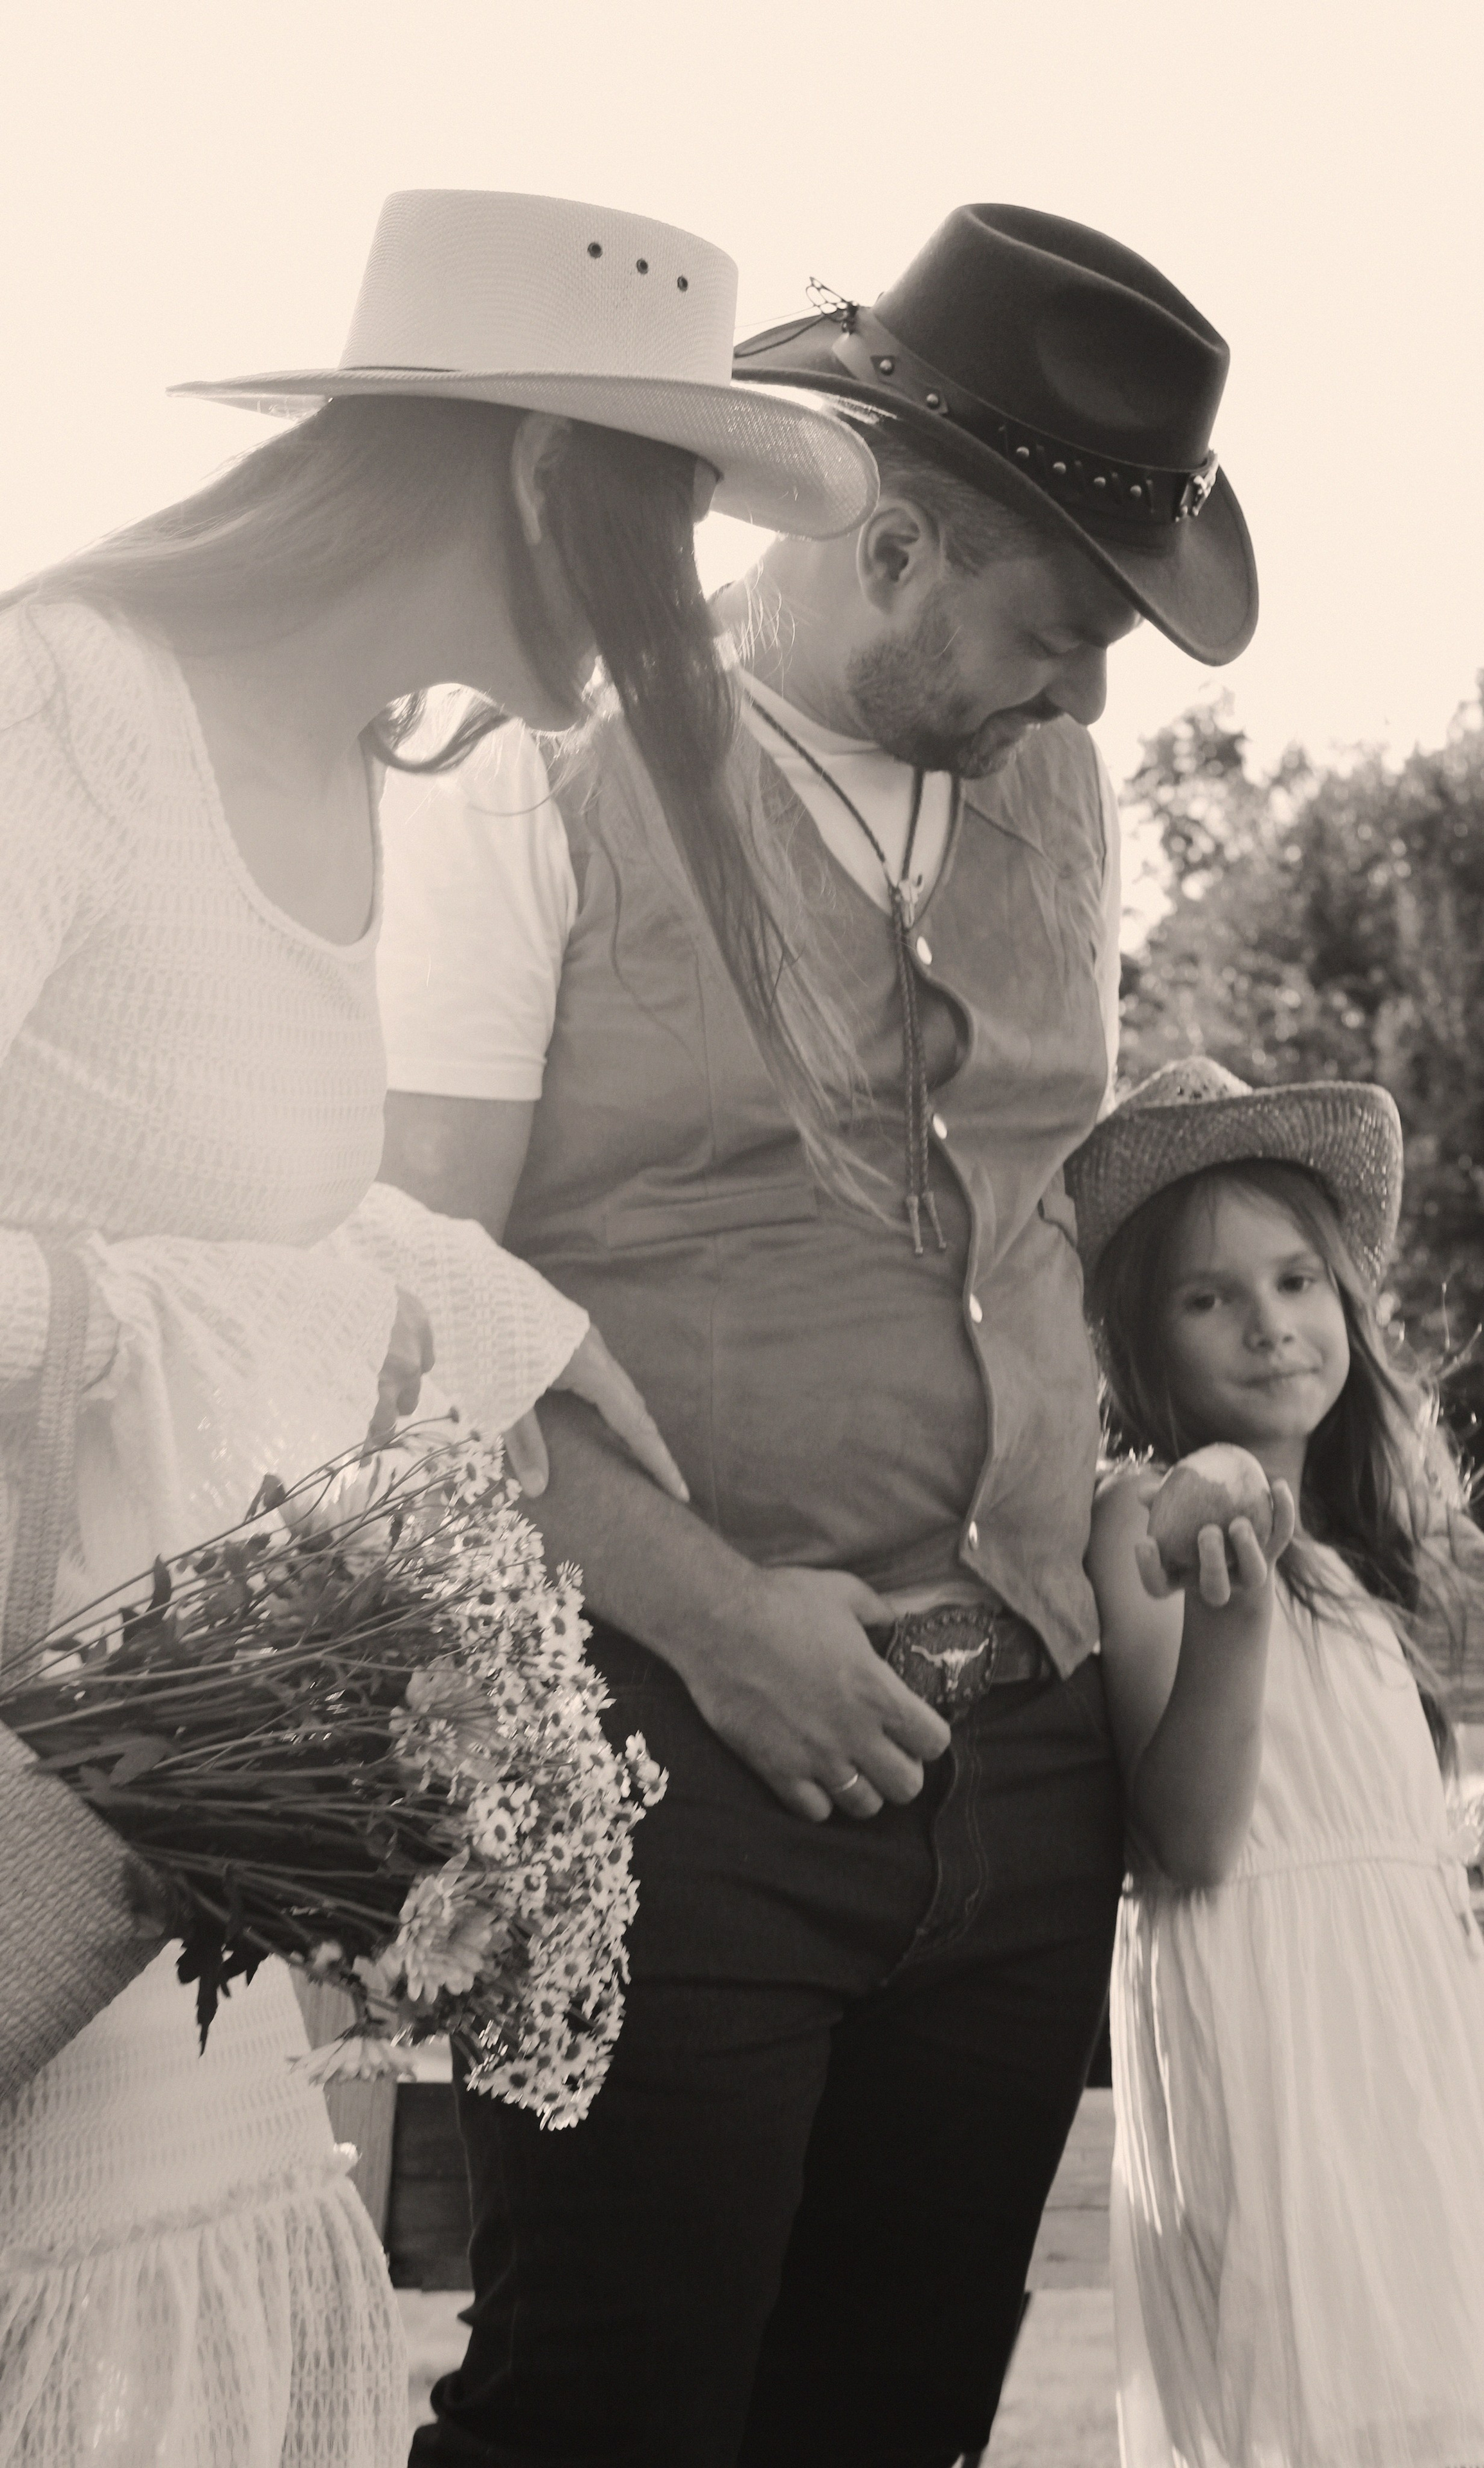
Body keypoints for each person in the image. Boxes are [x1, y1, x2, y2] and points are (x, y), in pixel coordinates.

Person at [0, 188, 875, 2468]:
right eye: (668, 506)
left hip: (148, 1797)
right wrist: (199, 1340)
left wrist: (496, 1315)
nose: (684, 583)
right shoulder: (59, 694)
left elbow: (267, 1202)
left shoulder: (356, 778)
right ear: (529, 463)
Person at [377, 206, 1256, 2464]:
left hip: (1025, 1758)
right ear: (886, 551)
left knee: (894, 2419)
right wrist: (720, 1616)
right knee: (608, 2412)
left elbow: (1041, 1205)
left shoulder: (1057, 791)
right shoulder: (526, 762)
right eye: (1059, 630)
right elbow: (394, 1314)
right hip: (659, 1746)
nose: (1086, 698)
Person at [1073, 1057, 1484, 2468]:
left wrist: (1468, 1819)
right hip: (1276, 2036)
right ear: (1140, 1344)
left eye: (1294, 1281)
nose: (1267, 1325)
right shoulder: (1146, 1520)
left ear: (1345, 1300)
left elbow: (1333, 1808)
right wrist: (1230, 1605)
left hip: (1408, 2039)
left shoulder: (1352, 1552)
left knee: (1444, 2408)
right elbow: (1191, 1841)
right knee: (1304, 2411)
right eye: (1205, 1296)